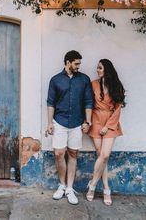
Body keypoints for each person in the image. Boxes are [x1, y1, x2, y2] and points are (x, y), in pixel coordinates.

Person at [46, 50, 93, 205]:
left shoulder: (84, 80)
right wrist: (49, 123)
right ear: (68, 62)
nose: (79, 66)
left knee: (73, 153)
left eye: (79, 63)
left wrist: (87, 121)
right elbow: (51, 102)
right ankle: (61, 185)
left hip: (77, 122)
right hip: (59, 121)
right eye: (76, 63)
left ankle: (70, 188)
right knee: (59, 153)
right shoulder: (55, 80)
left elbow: (88, 102)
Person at [85, 59, 125, 206]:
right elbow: (88, 103)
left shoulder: (116, 85)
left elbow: (118, 107)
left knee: (105, 155)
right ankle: (106, 188)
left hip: (110, 121)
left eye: (100, 68)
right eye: (97, 68)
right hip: (96, 119)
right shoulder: (93, 84)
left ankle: (93, 185)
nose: (97, 70)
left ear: (107, 69)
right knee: (101, 156)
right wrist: (87, 121)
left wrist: (108, 126)